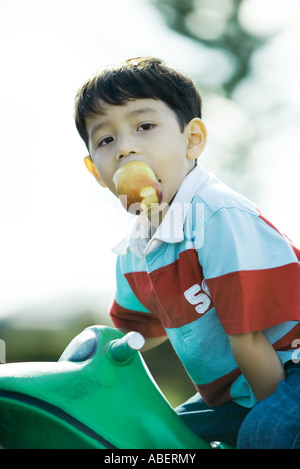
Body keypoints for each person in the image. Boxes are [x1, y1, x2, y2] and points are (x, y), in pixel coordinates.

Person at [74, 57, 300, 449]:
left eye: (144, 126)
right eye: (106, 140)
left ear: (192, 140)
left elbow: (249, 339)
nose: (125, 148)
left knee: (268, 433)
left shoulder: (215, 217)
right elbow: (131, 334)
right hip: (239, 388)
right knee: (159, 438)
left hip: (289, 366)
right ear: (96, 170)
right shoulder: (135, 250)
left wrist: (267, 422)